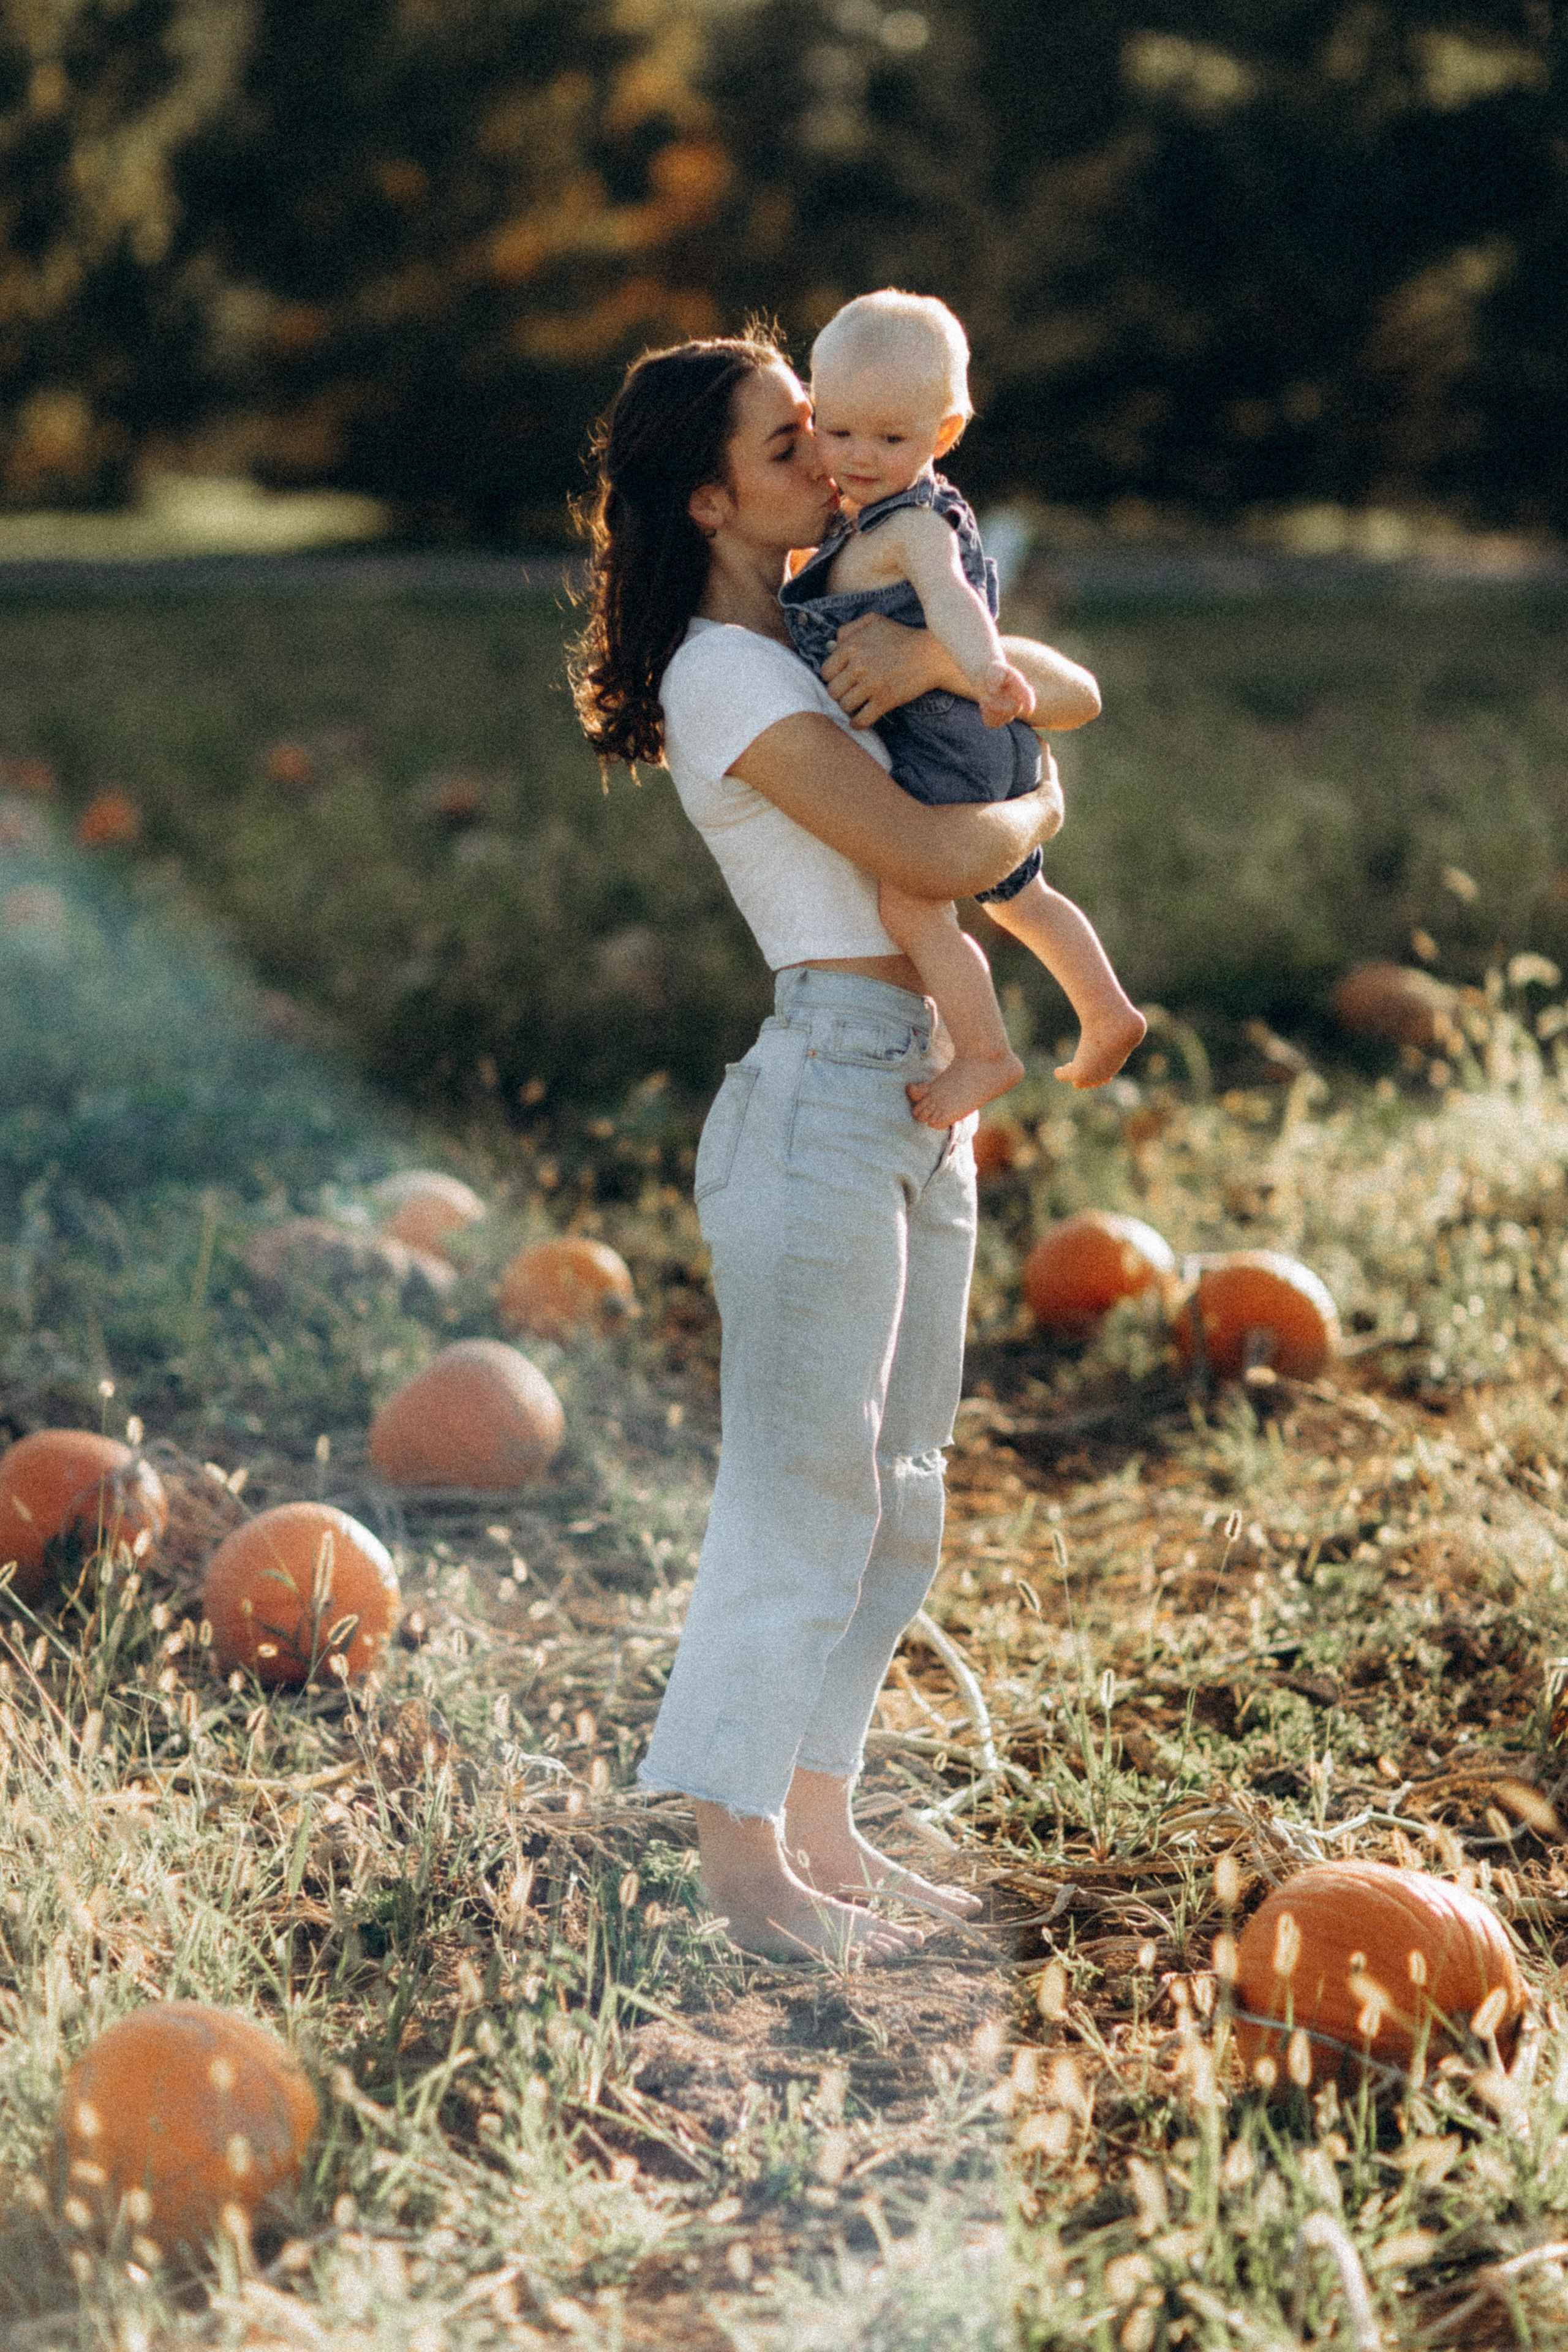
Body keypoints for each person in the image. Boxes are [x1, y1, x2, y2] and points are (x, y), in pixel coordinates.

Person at [570, 330, 1096, 1962]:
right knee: (801, 1488)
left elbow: (1052, 685)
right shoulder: (722, 678)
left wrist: (946, 659)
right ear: (711, 497)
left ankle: (821, 1828)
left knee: (897, 1495)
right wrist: (1041, 814)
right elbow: (928, 851)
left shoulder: (823, 626)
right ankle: (741, 1873)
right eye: (788, 443)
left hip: (918, 1087)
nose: (831, 460)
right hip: (819, 1093)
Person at [782, 289, 1145, 1127]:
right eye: (838, 431)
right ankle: (1107, 1010)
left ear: (942, 435)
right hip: (977, 736)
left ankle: (985, 1051)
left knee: (912, 907)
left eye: (890, 439)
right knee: (1024, 898)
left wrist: (985, 670)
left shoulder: (913, 527)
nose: (859, 456)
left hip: (956, 732)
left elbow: (952, 597)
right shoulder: (862, 517)